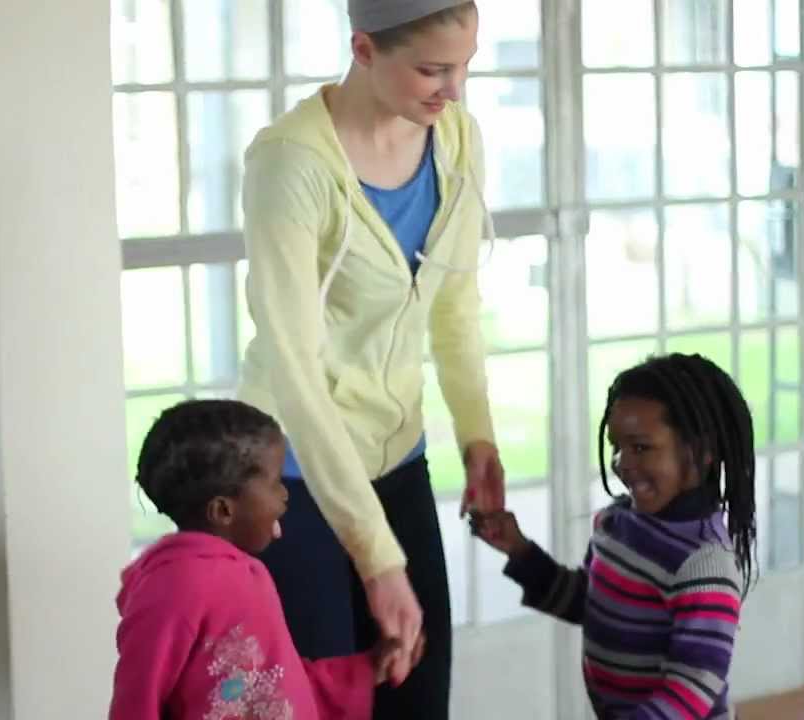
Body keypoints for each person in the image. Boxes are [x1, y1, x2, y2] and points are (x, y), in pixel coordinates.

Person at [237, 0, 501, 717]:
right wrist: (376, 558)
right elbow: (294, 368)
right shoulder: (291, 162)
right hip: (293, 479)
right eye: (432, 70)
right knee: (320, 702)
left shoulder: (457, 140)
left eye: (465, 66)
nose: (455, 90)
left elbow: (455, 305)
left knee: (418, 694)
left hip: (397, 459)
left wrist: (477, 433)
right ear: (363, 49)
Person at [472, 354, 757, 720]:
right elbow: (591, 605)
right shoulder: (617, 524)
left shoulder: (704, 564)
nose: (622, 461)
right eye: (616, 446)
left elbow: (693, 686)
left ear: (700, 452)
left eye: (640, 447)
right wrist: (521, 551)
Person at [108, 399, 415, 720]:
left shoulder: (245, 574)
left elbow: (274, 684)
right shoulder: (176, 588)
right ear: (223, 510)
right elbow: (135, 701)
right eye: (274, 483)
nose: (285, 494)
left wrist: (366, 670)